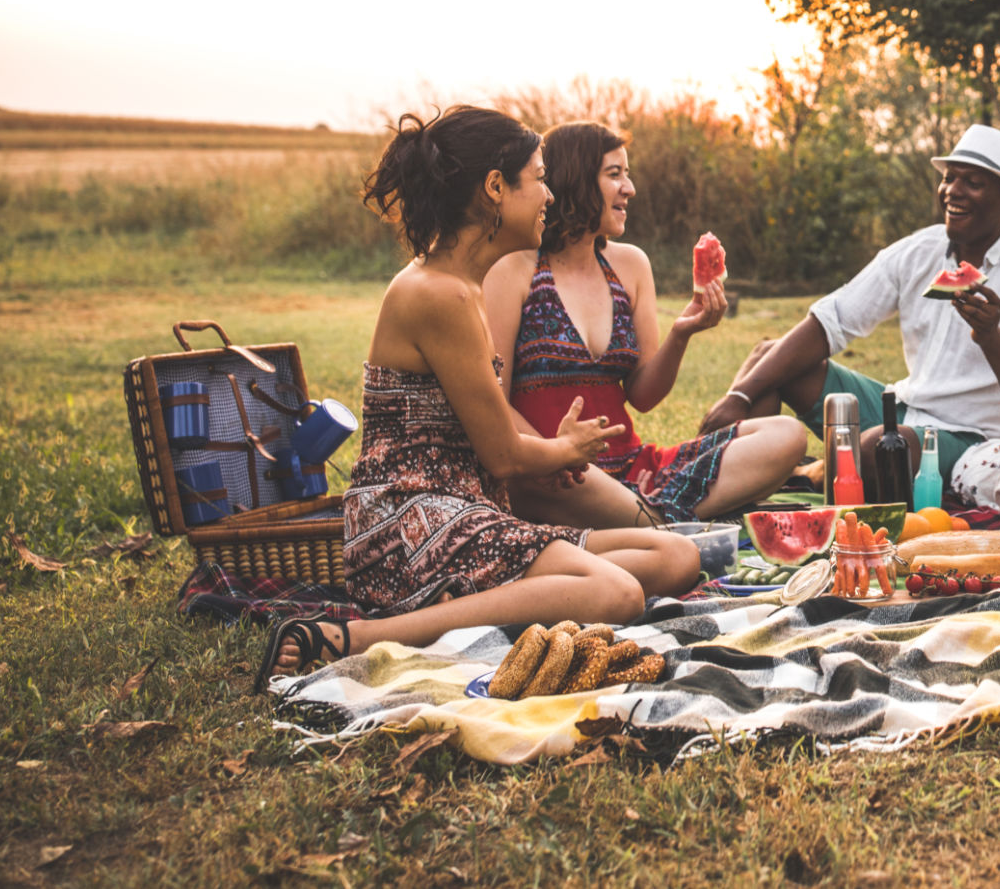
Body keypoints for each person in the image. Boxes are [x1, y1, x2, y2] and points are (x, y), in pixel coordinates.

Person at [258, 107, 699, 691]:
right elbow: (505, 457)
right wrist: (567, 449)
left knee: (677, 558)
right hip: (411, 522)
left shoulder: (465, 285)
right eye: (538, 178)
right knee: (617, 592)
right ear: (496, 188)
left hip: (473, 514)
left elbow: (492, 449)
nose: (548, 194)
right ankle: (354, 636)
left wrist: (561, 451)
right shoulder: (437, 293)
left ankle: (512, 595)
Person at [700, 125, 1000, 492]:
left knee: (876, 451)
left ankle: (816, 473)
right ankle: (721, 485)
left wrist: (991, 337)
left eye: (973, 182)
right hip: (903, 409)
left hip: (972, 440)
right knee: (770, 359)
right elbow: (832, 319)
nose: (952, 191)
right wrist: (741, 398)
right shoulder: (920, 251)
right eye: (949, 177)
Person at [484, 121, 807, 526]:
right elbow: (493, 403)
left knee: (786, 436)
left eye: (628, 174)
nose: (630, 188)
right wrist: (556, 454)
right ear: (577, 178)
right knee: (590, 489)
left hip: (637, 472)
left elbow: (643, 395)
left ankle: (647, 523)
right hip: (556, 474)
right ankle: (659, 526)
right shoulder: (514, 269)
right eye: (614, 174)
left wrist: (681, 333)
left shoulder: (630, 265)